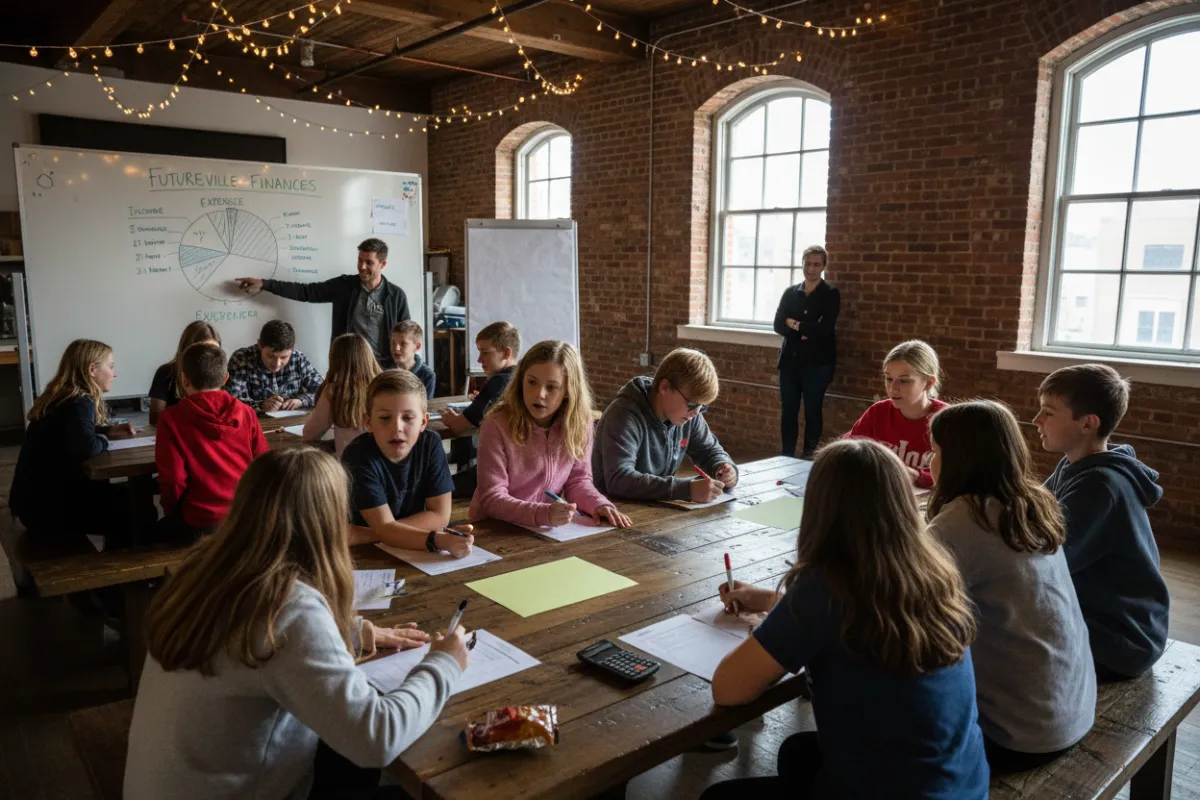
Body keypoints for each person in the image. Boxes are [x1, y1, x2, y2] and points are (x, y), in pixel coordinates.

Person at [124, 448, 470, 800]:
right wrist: (443, 663)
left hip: (169, 784)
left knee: (347, 759)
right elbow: (377, 739)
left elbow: (256, 645)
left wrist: (352, 630)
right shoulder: (287, 607)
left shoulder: (208, 569)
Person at [704, 439, 988, 799]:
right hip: (959, 783)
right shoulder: (933, 571)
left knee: (717, 797)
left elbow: (727, 689)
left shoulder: (824, 585)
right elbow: (861, 610)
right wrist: (772, 600)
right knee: (798, 753)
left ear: (820, 508)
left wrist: (778, 618)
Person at [927, 400, 1095, 772]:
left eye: (935, 451)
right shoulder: (1033, 504)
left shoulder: (959, 523)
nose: (929, 461)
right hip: (1071, 708)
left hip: (1017, 735)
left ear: (958, 458)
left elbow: (906, 612)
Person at [1034, 364, 1168, 680]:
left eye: (1048, 413)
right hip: (1096, 618)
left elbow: (1046, 558)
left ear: (1088, 423)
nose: (1037, 420)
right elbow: (1033, 512)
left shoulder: (1100, 485)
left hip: (1121, 639)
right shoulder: (1075, 465)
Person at [469, 340, 631, 530]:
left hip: (543, 530)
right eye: (531, 382)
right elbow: (492, 498)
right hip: (494, 529)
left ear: (568, 391)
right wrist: (543, 513)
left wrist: (598, 504)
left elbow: (578, 481)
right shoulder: (496, 425)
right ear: (520, 380)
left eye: (552, 387)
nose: (539, 394)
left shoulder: (578, 423)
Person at [9, 339, 143, 546]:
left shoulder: (63, 396)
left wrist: (107, 430)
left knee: (125, 499)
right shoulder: (80, 401)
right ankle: (123, 574)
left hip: (30, 502)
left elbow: (73, 432)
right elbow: (86, 447)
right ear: (92, 369)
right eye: (111, 366)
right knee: (131, 508)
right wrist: (105, 439)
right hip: (47, 510)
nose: (114, 373)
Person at [341, 370, 474, 554]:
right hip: (364, 554)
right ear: (368, 422)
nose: (397, 427)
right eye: (385, 418)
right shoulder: (357, 456)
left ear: (423, 421)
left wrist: (372, 534)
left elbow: (440, 516)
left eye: (408, 418)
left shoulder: (430, 444)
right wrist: (438, 540)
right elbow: (385, 527)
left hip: (397, 546)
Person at [233, 238, 410, 367]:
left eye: (369, 262)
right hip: (348, 365)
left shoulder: (395, 296)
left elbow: (406, 336)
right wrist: (265, 284)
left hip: (384, 367)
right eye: (360, 260)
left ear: (383, 264)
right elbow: (306, 291)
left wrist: (406, 366)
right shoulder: (344, 286)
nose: (362, 266)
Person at [156, 342, 269, 541]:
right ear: (225, 378)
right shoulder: (246, 412)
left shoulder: (172, 418)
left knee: (153, 532)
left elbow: (173, 479)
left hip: (200, 522)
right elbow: (263, 464)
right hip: (244, 517)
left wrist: (171, 510)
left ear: (184, 380)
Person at [593, 347, 737, 503]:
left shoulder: (688, 415)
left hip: (653, 508)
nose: (696, 412)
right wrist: (686, 489)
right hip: (611, 509)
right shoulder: (623, 415)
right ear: (664, 387)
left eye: (702, 406)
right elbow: (619, 480)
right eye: (692, 404)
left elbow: (709, 450)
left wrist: (724, 468)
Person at [844, 339, 946, 488]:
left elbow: (959, 473)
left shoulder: (947, 419)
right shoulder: (878, 412)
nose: (893, 388)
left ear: (929, 383)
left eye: (904, 381)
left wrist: (918, 476)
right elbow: (847, 449)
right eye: (889, 379)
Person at [442, 321, 521, 499]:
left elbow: (458, 427)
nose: (479, 360)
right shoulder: (521, 378)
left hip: (496, 474)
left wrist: (448, 418)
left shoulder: (497, 382)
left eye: (485, 353)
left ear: (507, 353)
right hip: (517, 471)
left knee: (437, 486)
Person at [774, 245, 839, 459]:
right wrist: (805, 328)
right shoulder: (789, 293)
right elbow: (777, 325)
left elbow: (824, 330)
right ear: (802, 263)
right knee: (789, 413)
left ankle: (809, 458)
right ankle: (786, 456)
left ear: (823, 266)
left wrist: (793, 323)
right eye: (808, 263)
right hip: (790, 362)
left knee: (812, 411)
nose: (811, 268)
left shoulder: (830, 294)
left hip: (818, 364)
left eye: (817, 264)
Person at [304, 334, 381, 456]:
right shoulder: (384, 385)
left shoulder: (335, 391)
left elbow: (309, 434)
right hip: (382, 465)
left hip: (350, 467)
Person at [226, 319, 324, 411]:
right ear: (260, 345)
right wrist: (261, 405)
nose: (277, 364)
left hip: (292, 421)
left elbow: (325, 391)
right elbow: (231, 400)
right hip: (255, 423)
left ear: (292, 349)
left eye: (284, 357)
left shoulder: (298, 358)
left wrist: (302, 401)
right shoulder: (242, 359)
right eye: (270, 356)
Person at [148, 321, 221, 425]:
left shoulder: (219, 373)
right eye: (203, 351)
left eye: (215, 352)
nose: (209, 358)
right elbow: (155, 420)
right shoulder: (165, 373)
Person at [390, 320, 435, 398]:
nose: (396, 348)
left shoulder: (427, 375)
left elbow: (425, 406)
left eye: (403, 343)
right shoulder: (384, 370)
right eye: (393, 342)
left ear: (417, 347)